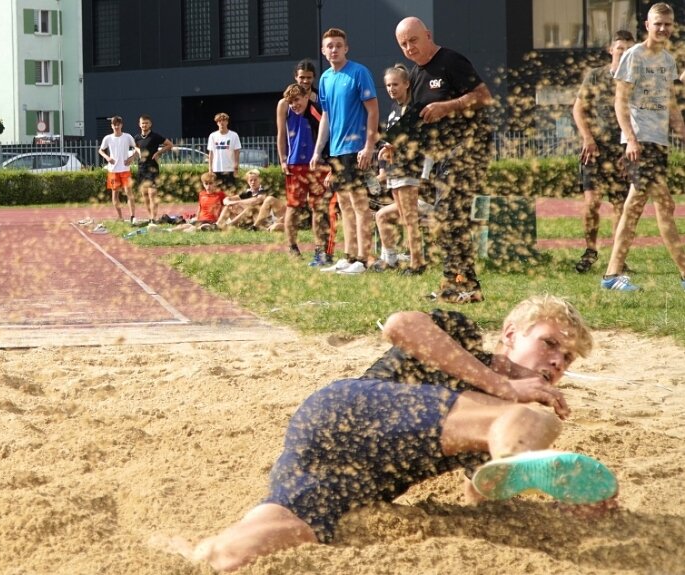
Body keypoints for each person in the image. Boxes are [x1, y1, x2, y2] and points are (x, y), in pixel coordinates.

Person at [169, 294, 617, 572]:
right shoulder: (462, 340)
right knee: (530, 418)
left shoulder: (486, 431)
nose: (558, 361)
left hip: (353, 472)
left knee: (251, 548)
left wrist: (573, 504)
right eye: (550, 343)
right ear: (510, 334)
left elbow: (484, 494)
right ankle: (524, 457)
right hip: (351, 410)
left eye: (568, 359)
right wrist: (503, 386)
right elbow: (400, 324)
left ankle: (184, 557)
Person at [395, 17, 495, 302]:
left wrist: (448, 106)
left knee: (449, 211)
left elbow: (484, 96)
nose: (409, 47)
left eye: (413, 40)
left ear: (427, 35)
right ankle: (466, 284)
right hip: (442, 152)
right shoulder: (415, 75)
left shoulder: (451, 60)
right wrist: (394, 145)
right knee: (450, 215)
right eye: (403, 44)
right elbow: (417, 121)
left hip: (470, 144)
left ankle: (457, 283)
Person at [601, 2, 685, 292]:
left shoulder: (668, 60)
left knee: (634, 208)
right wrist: (631, 139)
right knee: (663, 206)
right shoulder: (634, 55)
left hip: (659, 143)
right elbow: (620, 101)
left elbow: (670, 102)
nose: (663, 28)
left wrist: (681, 130)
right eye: (657, 23)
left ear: (672, 27)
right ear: (647, 26)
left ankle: (611, 276)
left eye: (668, 24)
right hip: (640, 143)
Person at [310, 27, 379, 275]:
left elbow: (373, 110)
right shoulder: (325, 79)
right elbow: (325, 117)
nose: (334, 49)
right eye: (330, 46)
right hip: (337, 151)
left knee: (360, 204)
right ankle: (350, 257)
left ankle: (364, 258)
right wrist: (318, 151)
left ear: (346, 48)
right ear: (323, 50)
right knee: (344, 205)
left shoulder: (359, 73)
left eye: (338, 45)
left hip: (356, 148)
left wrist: (369, 146)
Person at [572, 30, 636, 274]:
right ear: (611, 50)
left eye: (629, 49)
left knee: (621, 205)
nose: (623, 53)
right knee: (591, 203)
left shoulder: (635, 80)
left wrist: (630, 145)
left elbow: (639, 116)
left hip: (623, 151)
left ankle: (618, 258)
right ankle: (590, 250)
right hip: (595, 150)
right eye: (620, 48)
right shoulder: (596, 76)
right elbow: (577, 109)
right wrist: (588, 138)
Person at [371, 64, 429, 275]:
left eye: (395, 84)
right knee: (382, 215)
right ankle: (390, 259)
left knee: (409, 218)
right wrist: (384, 166)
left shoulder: (414, 108)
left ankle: (417, 263)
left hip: (408, 170)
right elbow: (389, 141)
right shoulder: (395, 109)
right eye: (388, 85)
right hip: (395, 171)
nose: (391, 88)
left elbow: (418, 140)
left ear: (406, 84)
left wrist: (392, 147)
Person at [277, 83, 333, 260]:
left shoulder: (317, 110)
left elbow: (329, 134)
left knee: (318, 207)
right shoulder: (286, 111)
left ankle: (320, 248)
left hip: (317, 165)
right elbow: (280, 134)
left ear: (307, 97)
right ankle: (292, 246)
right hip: (295, 165)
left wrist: (330, 163)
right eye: (291, 101)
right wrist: (283, 159)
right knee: (293, 207)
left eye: (297, 100)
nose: (294, 104)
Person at [134, 114, 173, 225]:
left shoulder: (155, 136)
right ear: (139, 124)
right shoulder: (137, 137)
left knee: (152, 194)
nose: (144, 125)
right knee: (145, 194)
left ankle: (153, 218)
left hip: (152, 169)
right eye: (142, 123)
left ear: (150, 124)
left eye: (146, 123)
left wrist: (158, 153)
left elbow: (170, 145)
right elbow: (135, 146)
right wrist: (137, 151)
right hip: (141, 169)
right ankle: (150, 217)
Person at [99, 116, 139, 223]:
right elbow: (101, 150)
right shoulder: (108, 138)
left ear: (121, 125)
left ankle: (132, 217)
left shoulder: (127, 137)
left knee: (129, 193)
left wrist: (132, 158)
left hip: (125, 169)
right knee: (115, 194)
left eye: (118, 124)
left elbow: (137, 148)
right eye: (114, 124)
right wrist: (107, 158)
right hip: (113, 170)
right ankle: (120, 216)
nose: (116, 126)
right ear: (111, 126)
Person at [207, 113, 242, 193]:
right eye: (219, 121)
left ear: (227, 122)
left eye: (223, 120)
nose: (221, 123)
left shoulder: (234, 135)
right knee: (217, 192)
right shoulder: (213, 136)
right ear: (217, 123)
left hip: (229, 169)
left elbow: (237, 151)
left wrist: (236, 166)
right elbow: (211, 153)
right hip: (216, 168)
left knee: (230, 191)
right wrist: (210, 168)